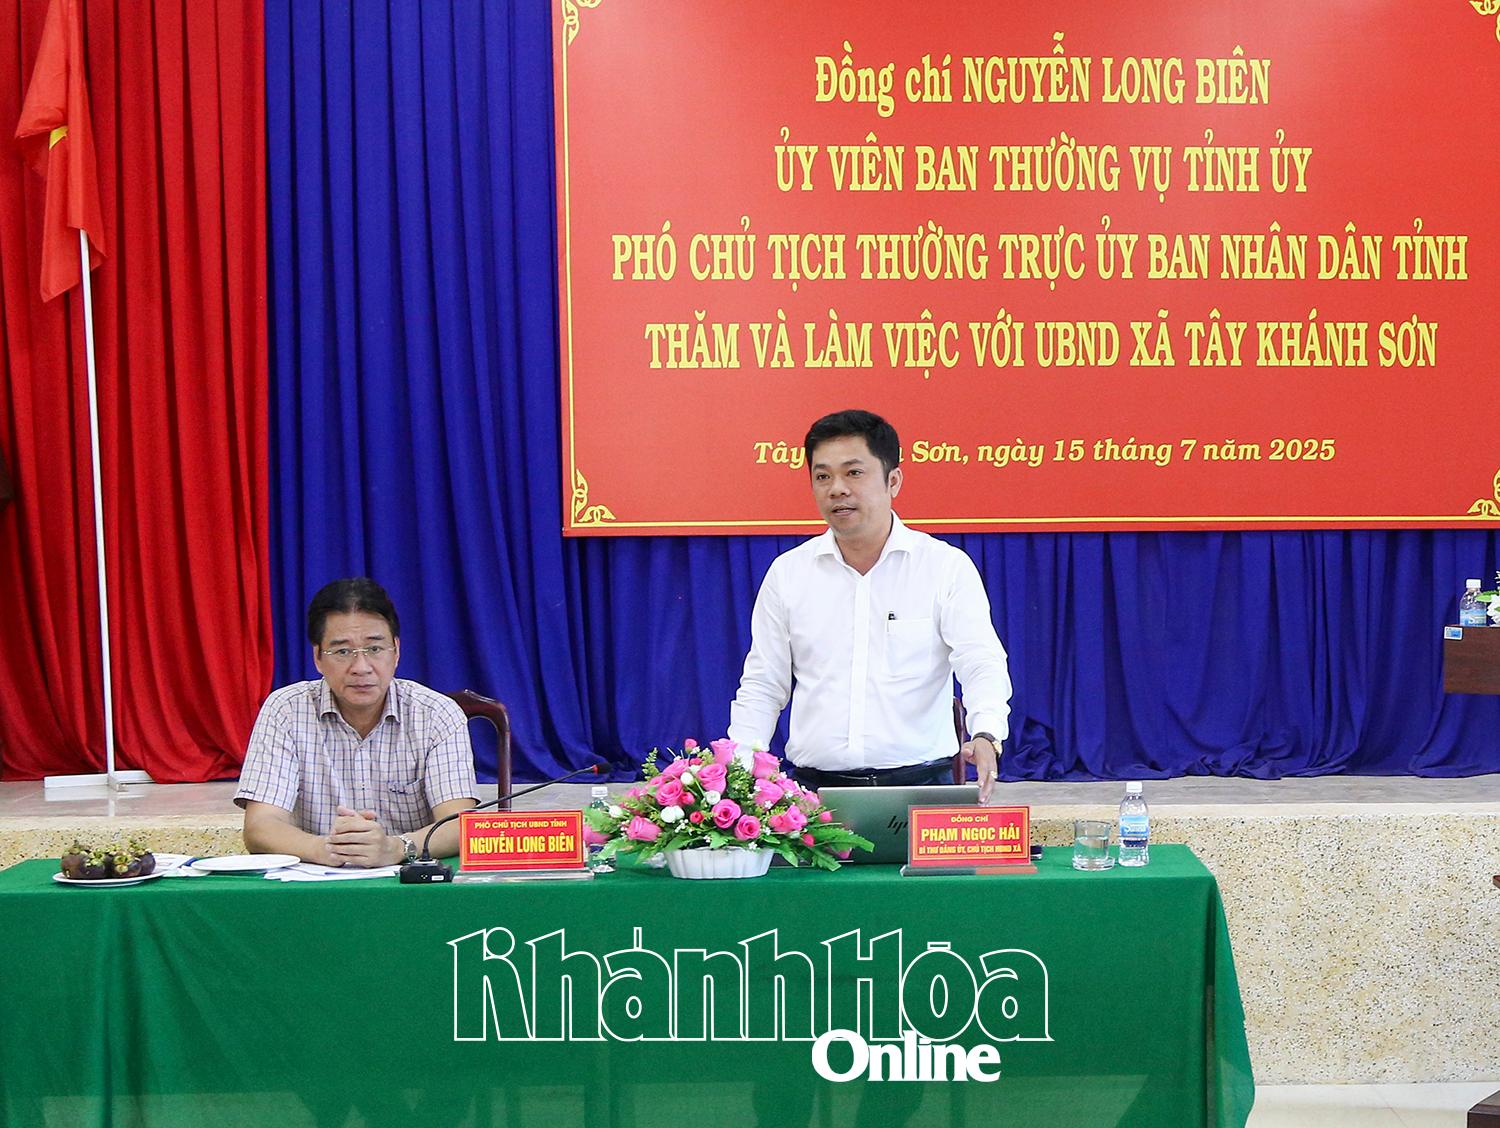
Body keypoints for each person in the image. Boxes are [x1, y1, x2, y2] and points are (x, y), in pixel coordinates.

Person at [728, 409, 1012, 801]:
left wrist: (986, 732)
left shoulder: (944, 567)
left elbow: (981, 662)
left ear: (893, 481)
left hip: (922, 788)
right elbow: (763, 683)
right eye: (822, 476)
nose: (837, 489)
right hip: (815, 796)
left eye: (854, 473)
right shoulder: (788, 574)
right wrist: (738, 771)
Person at [235, 577, 479, 866]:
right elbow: (260, 826)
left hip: (408, 882)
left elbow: (458, 825)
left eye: (374, 649)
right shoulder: (285, 710)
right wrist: (323, 848)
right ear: (317, 657)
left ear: (396, 651)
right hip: (315, 881)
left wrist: (396, 848)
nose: (361, 668)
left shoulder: (437, 714)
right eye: (342, 652)